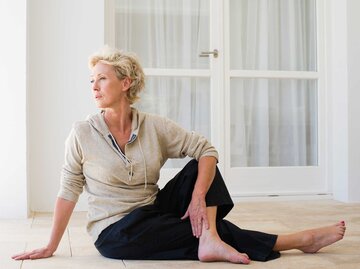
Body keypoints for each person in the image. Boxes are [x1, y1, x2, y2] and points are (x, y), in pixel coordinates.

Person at [12, 46, 346, 264]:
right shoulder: (82, 133)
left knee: (201, 164)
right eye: (91, 80)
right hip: (115, 230)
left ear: (126, 82)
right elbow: (68, 189)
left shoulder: (154, 126)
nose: (94, 86)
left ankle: (211, 238)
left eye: (102, 78)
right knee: (197, 231)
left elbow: (207, 150)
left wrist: (198, 196)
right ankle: (295, 240)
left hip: (153, 211)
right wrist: (51, 245)